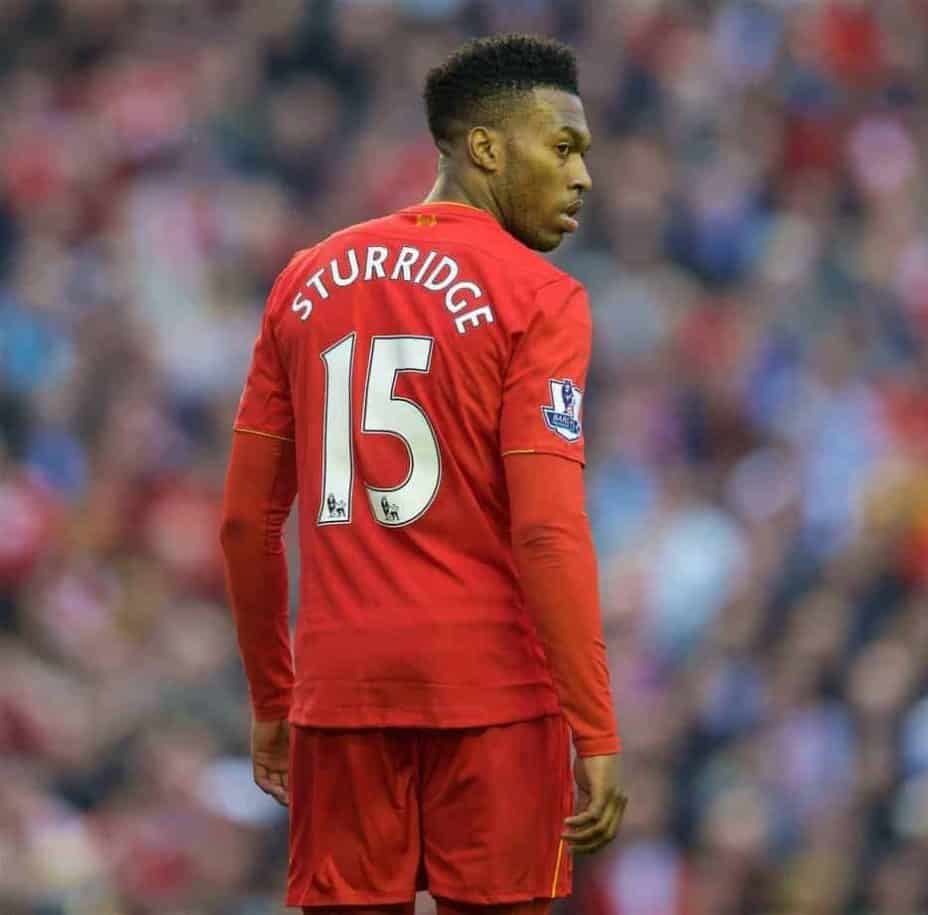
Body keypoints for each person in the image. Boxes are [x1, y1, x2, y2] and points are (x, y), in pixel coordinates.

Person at [219, 33, 625, 915]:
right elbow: (548, 527)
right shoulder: (540, 297)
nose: (583, 177)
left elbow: (246, 523)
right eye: (562, 147)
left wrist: (272, 698)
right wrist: (594, 724)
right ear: (484, 146)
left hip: (338, 702)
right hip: (496, 702)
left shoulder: (305, 279)